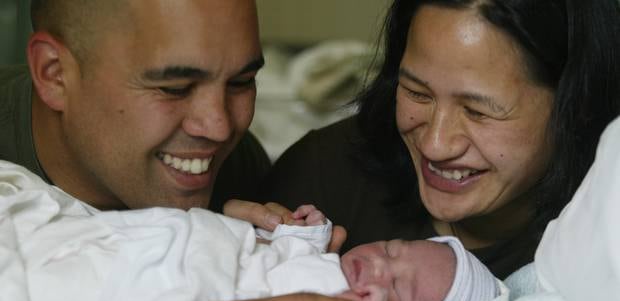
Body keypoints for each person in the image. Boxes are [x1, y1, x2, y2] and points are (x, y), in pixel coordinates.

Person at [0, 0, 363, 301]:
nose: (219, 125)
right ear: (55, 74)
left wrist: (226, 242)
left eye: (242, 82)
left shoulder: (235, 164)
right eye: (174, 89)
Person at [257, 0, 620, 279]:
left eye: (478, 111)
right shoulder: (323, 177)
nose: (434, 144)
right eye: (417, 93)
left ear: (575, 105)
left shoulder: (604, 239)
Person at [0, 169, 498, 301]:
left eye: (403, 291)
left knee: (74, 288)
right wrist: (306, 226)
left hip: (187, 296)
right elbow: (289, 243)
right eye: (392, 250)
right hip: (188, 240)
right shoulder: (327, 258)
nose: (384, 269)